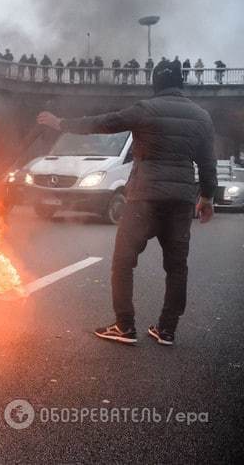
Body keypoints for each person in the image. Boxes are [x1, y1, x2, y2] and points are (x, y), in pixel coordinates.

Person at [36, 59, 217, 347]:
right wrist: (207, 198)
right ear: (181, 82)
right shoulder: (201, 116)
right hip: (181, 200)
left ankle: (124, 326)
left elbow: (103, 123)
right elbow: (207, 163)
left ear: (156, 82)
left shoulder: (145, 110)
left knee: (123, 261)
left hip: (145, 198)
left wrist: (62, 124)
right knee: (176, 266)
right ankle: (167, 330)